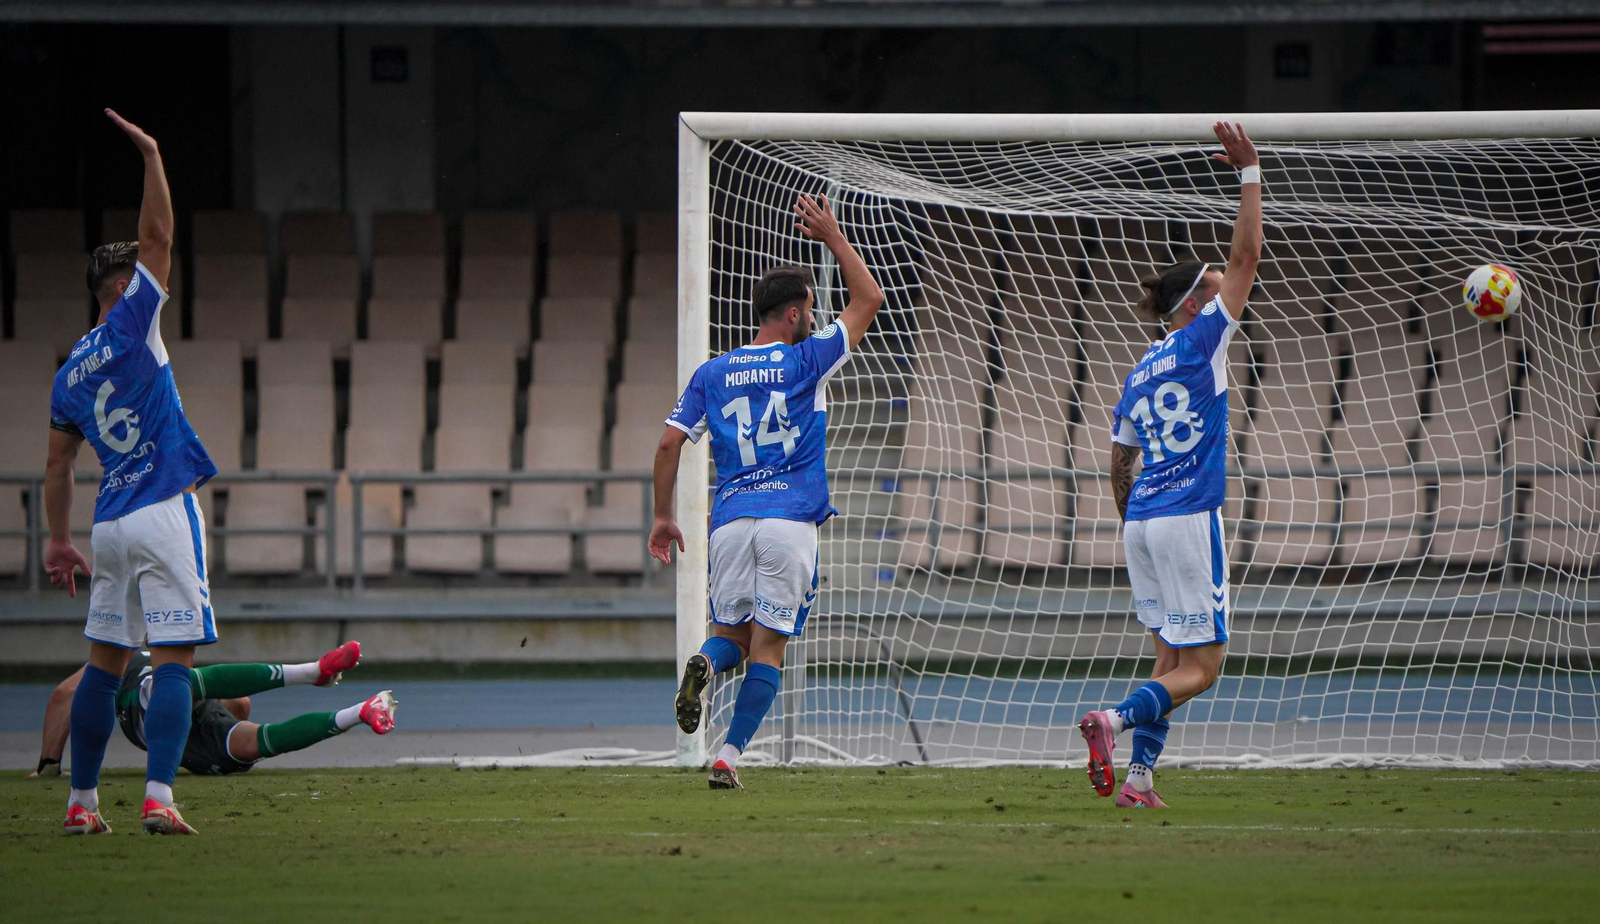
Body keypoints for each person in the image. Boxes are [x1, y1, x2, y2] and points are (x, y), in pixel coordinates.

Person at [649, 194, 885, 789]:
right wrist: (833, 236)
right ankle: (728, 757)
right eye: (810, 309)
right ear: (794, 313)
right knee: (769, 648)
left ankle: (704, 664)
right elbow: (869, 300)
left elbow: (669, 445)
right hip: (789, 518)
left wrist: (662, 517)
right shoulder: (807, 360)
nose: (814, 317)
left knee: (728, 636)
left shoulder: (711, 372)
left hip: (731, 520)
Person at [44, 110, 220, 835]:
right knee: (174, 659)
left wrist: (58, 540)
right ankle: (158, 796)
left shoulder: (67, 373)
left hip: (109, 521)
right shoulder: (134, 319)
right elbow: (160, 237)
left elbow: (57, 465)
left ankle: (82, 804)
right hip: (162, 504)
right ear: (123, 286)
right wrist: (151, 155)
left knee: (105, 662)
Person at [1077, 122, 1262, 809]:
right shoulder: (1203, 339)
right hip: (1187, 516)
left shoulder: (1139, 370)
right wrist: (1249, 173)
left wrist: (1136, 522)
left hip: (1144, 520)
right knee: (1204, 667)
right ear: (1193, 304)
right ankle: (1113, 720)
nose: (1223, 291)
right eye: (1212, 288)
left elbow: (1118, 459)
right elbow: (1246, 257)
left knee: (1169, 659)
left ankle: (1139, 780)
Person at [28, 641, 396, 783]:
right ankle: (331, 687)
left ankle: (356, 708)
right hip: (172, 714)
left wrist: (49, 764)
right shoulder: (135, 655)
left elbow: (65, 695)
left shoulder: (117, 657)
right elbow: (65, 695)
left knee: (247, 738)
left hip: (171, 719)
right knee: (245, 733)